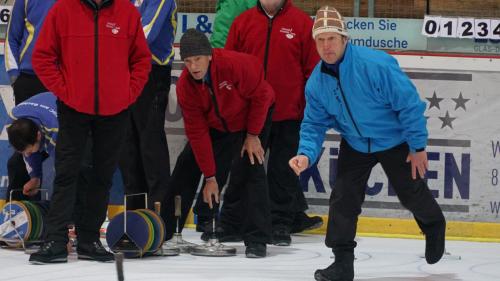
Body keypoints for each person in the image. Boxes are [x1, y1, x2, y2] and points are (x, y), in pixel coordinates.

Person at [289, 6, 446, 281]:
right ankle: (342, 264)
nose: (327, 46)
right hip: (356, 142)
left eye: (332, 39)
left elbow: (409, 104)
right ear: (314, 43)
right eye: (321, 40)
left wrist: (417, 146)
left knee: (411, 193)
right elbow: (313, 125)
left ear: (344, 39)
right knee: (343, 199)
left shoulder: (375, 65)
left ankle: (434, 225)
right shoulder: (316, 83)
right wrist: (305, 154)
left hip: (394, 139)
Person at [28, 0, 151, 264]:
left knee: (102, 176)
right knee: (66, 174)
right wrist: (66, 91)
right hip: (73, 109)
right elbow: (42, 57)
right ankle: (56, 241)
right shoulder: (63, 10)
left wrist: (126, 94)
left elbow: (141, 60)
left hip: (116, 111)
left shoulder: (127, 12)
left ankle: (89, 240)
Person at [163, 28, 275, 258]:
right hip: (218, 124)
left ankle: (257, 239)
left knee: (251, 167)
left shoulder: (235, 65)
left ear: (209, 55)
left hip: (252, 117)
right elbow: (196, 131)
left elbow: (262, 96)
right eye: (187, 61)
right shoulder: (185, 86)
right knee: (187, 164)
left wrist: (253, 135)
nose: (193, 66)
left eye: (197, 59)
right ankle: (166, 231)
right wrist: (210, 177)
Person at [219, 0, 322, 246]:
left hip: (289, 114)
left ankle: (279, 224)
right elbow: (228, 67)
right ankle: (232, 223)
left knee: (283, 172)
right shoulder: (243, 22)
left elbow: (312, 70)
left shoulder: (301, 23)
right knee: (243, 169)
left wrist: (305, 108)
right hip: (252, 115)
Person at [120, 0, 176, 218]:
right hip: (125, 71)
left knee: (150, 144)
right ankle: (134, 213)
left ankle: (158, 214)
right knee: (127, 146)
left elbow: (146, 33)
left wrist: (112, 47)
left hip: (152, 71)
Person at [4, 0, 56, 202]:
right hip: (29, 79)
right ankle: (17, 208)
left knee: (63, 149)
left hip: (62, 79)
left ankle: (56, 212)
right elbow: (12, 36)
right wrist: (15, 75)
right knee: (23, 146)